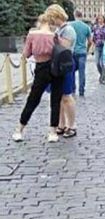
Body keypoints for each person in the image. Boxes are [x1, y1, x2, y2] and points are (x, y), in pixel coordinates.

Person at [13, 12, 64, 143]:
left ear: (40, 22)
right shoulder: (55, 35)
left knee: (33, 99)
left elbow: (26, 53)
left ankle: (19, 129)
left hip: (41, 68)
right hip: (57, 69)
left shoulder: (32, 34)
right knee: (55, 101)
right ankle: (53, 132)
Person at [54, 5, 78, 139]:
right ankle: (62, 124)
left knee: (67, 96)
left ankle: (72, 125)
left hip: (66, 64)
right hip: (59, 64)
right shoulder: (59, 29)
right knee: (60, 96)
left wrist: (54, 38)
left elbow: (65, 46)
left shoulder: (68, 29)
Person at [70, 10, 92, 97]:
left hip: (72, 52)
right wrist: (87, 49)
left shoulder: (70, 25)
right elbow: (90, 41)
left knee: (71, 72)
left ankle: (73, 89)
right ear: (82, 16)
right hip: (82, 52)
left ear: (74, 15)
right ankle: (81, 90)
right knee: (82, 72)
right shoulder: (86, 27)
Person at [92, 15, 105, 84]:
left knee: (103, 63)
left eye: (101, 19)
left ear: (104, 20)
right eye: (99, 19)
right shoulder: (95, 27)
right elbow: (93, 37)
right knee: (97, 63)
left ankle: (103, 78)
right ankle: (102, 75)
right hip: (97, 46)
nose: (100, 20)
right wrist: (93, 44)